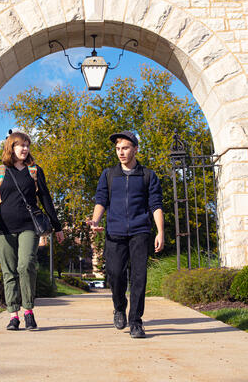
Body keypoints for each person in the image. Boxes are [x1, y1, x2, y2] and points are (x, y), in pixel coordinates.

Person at [87, 130, 164, 339]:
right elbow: (101, 200)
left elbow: (155, 205)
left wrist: (160, 232)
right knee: (115, 274)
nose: (121, 152)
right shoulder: (109, 175)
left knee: (139, 278)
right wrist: (95, 221)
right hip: (115, 232)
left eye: (125, 148)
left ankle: (136, 322)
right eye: (118, 149)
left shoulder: (148, 175)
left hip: (140, 231)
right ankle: (119, 307)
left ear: (135, 149)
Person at [0, 131, 64, 331]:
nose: (25, 149)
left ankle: (28, 311)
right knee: (9, 272)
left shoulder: (35, 171)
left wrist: (58, 226)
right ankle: (13, 315)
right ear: (11, 147)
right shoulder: (0, 171)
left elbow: (46, 199)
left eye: (27, 145)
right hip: (4, 228)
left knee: (26, 265)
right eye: (21, 145)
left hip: (29, 226)